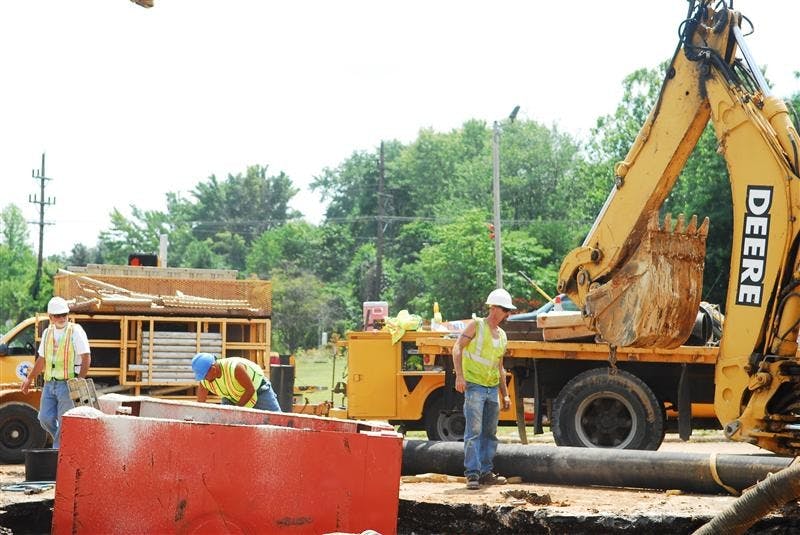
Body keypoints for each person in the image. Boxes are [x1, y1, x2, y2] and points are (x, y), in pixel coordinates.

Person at [452, 288, 515, 490]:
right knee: (474, 431)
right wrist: (460, 376)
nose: (508, 314)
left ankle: (486, 473)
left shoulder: (502, 335)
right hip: (475, 387)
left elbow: (499, 367)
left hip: (491, 389)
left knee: (490, 432)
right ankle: (472, 474)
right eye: (505, 310)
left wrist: (505, 394)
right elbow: (457, 348)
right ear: (494, 308)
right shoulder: (477, 325)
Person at [21, 296, 91, 448]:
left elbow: (86, 357)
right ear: (50, 317)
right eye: (58, 315)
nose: (62, 318)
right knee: (44, 418)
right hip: (49, 384)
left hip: (68, 384)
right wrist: (29, 379)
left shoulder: (75, 331)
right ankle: (63, 440)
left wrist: (79, 380)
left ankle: (58, 451)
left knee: (64, 420)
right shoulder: (47, 333)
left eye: (64, 314)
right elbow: (41, 360)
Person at [191, 353, 281, 411]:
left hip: (259, 391)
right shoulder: (204, 382)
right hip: (233, 397)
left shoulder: (235, 368)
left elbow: (250, 390)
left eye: (205, 376)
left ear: (213, 369)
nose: (204, 379)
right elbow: (200, 407)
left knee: (277, 421)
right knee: (224, 425)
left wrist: (235, 411)